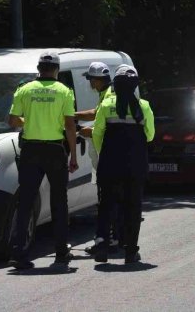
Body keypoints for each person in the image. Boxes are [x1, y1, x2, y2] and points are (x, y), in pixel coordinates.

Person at [7, 50, 78, 269]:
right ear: (56, 69)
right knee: (59, 201)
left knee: (26, 200)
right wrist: (73, 155)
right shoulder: (64, 91)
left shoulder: (24, 90)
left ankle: (19, 254)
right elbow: (69, 124)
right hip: (55, 151)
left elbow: (12, 121)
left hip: (30, 150)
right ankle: (61, 253)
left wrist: (29, 119)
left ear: (39, 69)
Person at [92, 65, 155, 264]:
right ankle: (130, 251)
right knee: (133, 207)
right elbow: (150, 135)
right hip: (135, 165)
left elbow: (97, 132)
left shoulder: (106, 105)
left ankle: (102, 245)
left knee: (106, 205)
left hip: (110, 163)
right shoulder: (143, 106)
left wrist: (105, 153)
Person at [74, 62, 121, 255]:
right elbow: (96, 112)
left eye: (90, 80)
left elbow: (103, 129)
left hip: (106, 157)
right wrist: (73, 115)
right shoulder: (106, 93)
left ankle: (109, 240)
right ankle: (114, 238)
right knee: (111, 199)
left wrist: (82, 130)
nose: (89, 83)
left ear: (96, 80)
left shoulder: (109, 95)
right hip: (110, 156)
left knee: (107, 201)